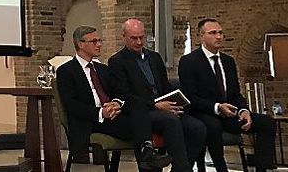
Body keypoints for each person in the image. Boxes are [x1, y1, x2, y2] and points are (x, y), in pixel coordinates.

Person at [56, 25, 173, 171]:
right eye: (94, 41)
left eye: (99, 40)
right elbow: (72, 105)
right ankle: (147, 155)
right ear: (80, 44)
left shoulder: (102, 69)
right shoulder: (66, 71)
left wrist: (116, 103)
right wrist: (100, 112)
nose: (99, 44)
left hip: (112, 116)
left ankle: (147, 153)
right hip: (90, 121)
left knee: (138, 107)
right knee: (141, 126)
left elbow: (118, 93)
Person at [177, 18, 276, 172]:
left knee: (267, 123)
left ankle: (262, 168)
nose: (218, 36)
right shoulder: (189, 61)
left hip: (229, 113)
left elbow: (236, 93)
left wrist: (244, 111)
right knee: (213, 126)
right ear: (201, 36)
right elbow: (190, 97)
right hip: (204, 112)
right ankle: (221, 168)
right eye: (213, 33)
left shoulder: (228, 61)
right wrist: (217, 107)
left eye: (220, 33)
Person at [108, 19, 207, 172]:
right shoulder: (117, 62)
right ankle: (183, 168)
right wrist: (155, 104)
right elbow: (124, 95)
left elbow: (165, 87)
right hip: (143, 111)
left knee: (198, 128)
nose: (139, 42)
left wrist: (175, 100)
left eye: (142, 37)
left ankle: (180, 168)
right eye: (134, 38)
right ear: (124, 37)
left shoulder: (154, 58)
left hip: (164, 106)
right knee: (171, 121)